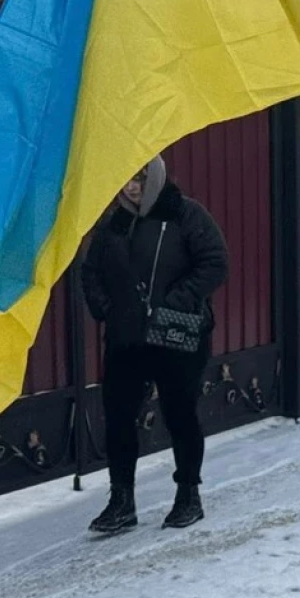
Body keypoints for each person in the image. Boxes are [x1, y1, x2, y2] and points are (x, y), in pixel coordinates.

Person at [80, 155, 227, 535]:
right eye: (126, 179)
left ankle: (188, 494)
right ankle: (121, 499)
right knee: (118, 417)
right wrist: (105, 307)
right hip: (126, 337)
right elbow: (90, 270)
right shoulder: (114, 222)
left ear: (156, 177)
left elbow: (214, 262)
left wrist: (179, 298)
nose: (132, 187)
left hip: (176, 334)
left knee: (180, 414)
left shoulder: (185, 214)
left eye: (140, 179)